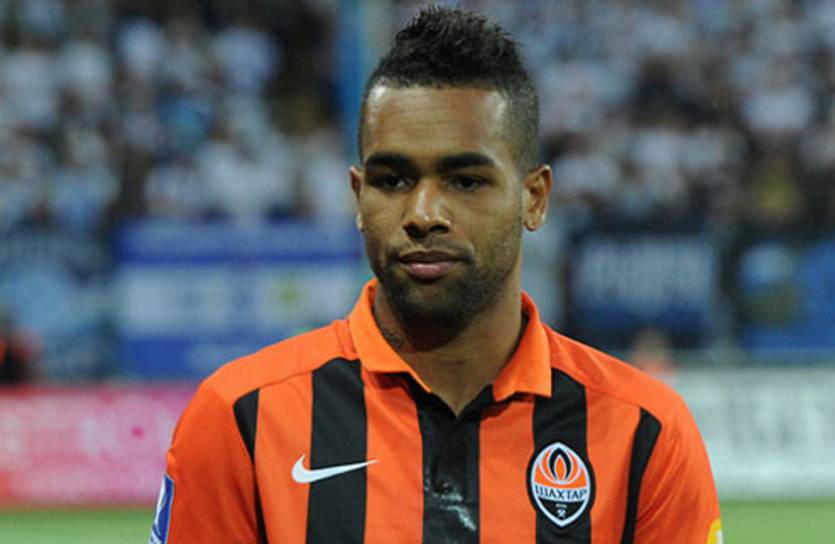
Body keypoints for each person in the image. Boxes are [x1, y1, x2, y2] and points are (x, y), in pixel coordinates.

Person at [150, 7, 722, 544]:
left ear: (534, 198)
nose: (423, 214)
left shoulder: (645, 433)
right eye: (392, 181)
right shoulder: (241, 419)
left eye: (465, 181)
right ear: (358, 196)